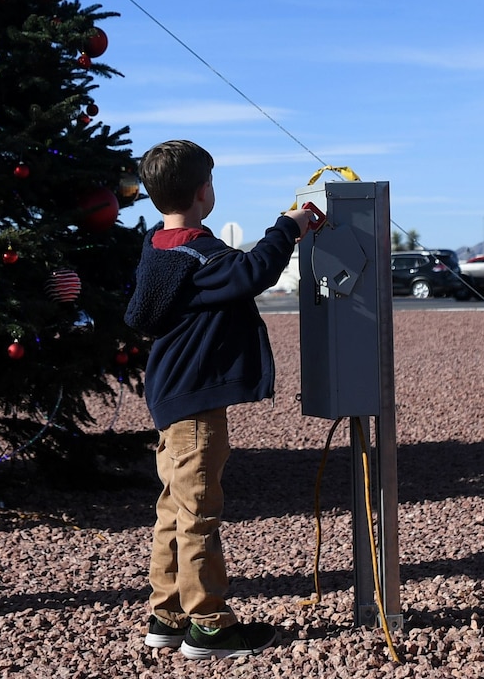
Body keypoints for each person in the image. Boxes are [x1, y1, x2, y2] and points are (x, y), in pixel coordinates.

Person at [124, 139, 320, 660]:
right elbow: (253, 271)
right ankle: (210, 625)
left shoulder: (158, 247)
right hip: (193, 411)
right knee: (197, 517)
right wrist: (290, 226)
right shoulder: (200, 256)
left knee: (173, 510)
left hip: (171, 398)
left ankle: (165, 614)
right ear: (204, 190)